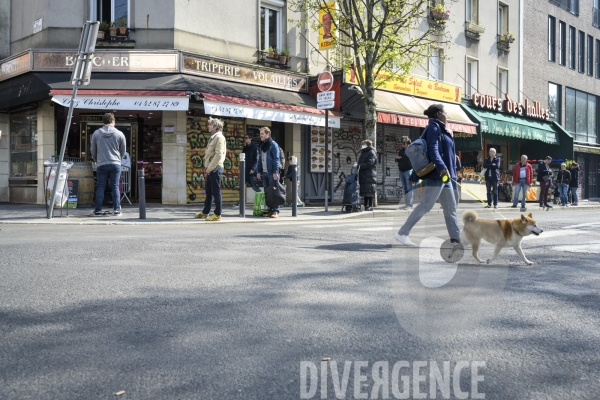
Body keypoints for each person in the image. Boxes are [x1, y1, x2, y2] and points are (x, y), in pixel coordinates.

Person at [395, 104, 460, 247]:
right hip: (438, 174)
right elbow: (432, 150)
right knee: (425, 206)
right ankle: (402, 233)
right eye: (445, 113)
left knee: (451, 208)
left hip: (445, 176)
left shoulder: (441, 128)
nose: (447, 115)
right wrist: (442, 167)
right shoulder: (434, 128)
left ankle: (456, 240)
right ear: (438, 114)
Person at [90, 112, 126, 216]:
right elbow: (123, 150)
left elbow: (93, 150)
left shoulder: (96, 134)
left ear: (104, 121)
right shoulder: (119, 134)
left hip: (102, 163)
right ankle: (116, 210)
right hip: (115, 163)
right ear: (113, 121)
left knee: (100, 186)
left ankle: (98, 210)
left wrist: (98, 159)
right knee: (115, 186)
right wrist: (118, 159)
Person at [195, 117, 226, 221]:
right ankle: (205, 212)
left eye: (210, 125)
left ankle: (217, 214)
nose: (208, 126)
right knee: (209, 191)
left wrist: (210, 168)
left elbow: (218, 155)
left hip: (215, 168)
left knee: (216, 191)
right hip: (211, 168)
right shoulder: (214, 137)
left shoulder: (219, 138)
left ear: (215, 126)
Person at [256, 127, 281, 218]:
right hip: (264, 172)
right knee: (268, 193)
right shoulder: (262, 145)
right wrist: (258, 171)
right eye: (260, 134)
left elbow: (276, 159)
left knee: (274, 192)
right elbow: (259, 159)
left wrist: (275, 171)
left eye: (262, 134)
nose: (260, 136)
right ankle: (271, 210)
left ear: (268, 134)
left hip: (271, 172)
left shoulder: (273, 145)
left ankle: (276, 211)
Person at [234, 135, 261, 207]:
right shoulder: (245, 148)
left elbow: (257, 160)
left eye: (246, 138)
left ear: (250, 139)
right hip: (245, 170)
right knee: (242, 186)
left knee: (254, 186)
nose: (245, 140)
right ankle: (241, 202)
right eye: (244, 138)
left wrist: (253, 169)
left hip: (251, 171)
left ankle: (262, 199)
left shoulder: (255, 148)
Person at [355, 139, 377, 211]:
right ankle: (365, 205)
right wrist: (358, 165)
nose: (362, 146)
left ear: (367, 145)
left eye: (363, 144)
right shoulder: (364, 152)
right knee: (365, 191)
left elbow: (369, 163)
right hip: (364, 174)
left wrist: (359, 165)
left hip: (369, 174)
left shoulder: (371, 152)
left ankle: (370, 206)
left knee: (369, 191)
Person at [396, 136, 413, 210]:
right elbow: (400, 160)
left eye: (404, 143)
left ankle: (410, 205)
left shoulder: (412, 150)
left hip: (408, 171)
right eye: (402, 143)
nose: (402, 145)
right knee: (405, 188)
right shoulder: (401, 151)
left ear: (408, 143)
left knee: (409, 188)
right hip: (402, 171)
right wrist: (397, 159)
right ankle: (407, 204)